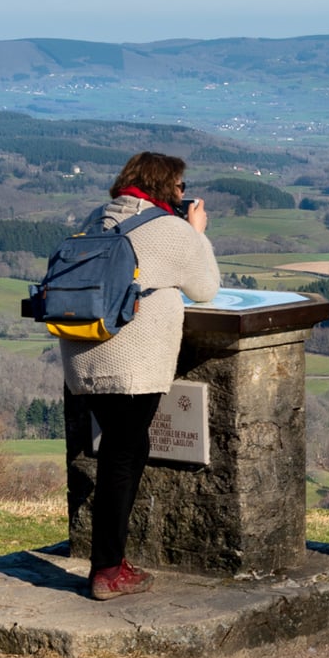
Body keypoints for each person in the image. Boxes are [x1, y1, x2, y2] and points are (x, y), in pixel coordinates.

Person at [61, 152, 220, 600]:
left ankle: (111, 562)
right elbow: (205, 288)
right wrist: (196, 233)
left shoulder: (97, 218)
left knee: (124, 447)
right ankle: (108, 570)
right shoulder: (169, 230)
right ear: (167, 186)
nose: (183, 193)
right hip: (133, 364)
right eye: (180, 186)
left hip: (83, 354)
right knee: (122, 456)